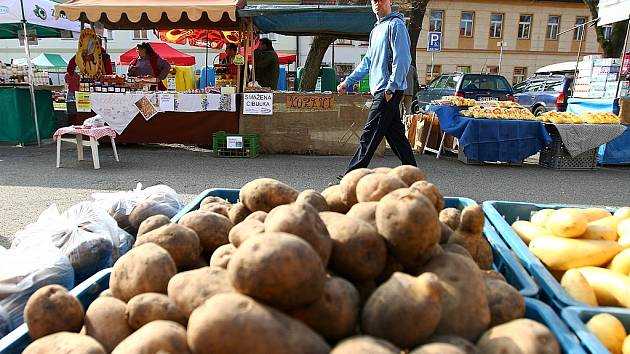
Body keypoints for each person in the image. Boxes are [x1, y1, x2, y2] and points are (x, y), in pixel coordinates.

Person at [337, 0, 417, 176]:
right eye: (374, 0)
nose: (377, 3)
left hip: (388, 90)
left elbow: (402, 59)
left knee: (369, 135)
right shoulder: (375, 30)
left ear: (389, 2)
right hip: (382, 90)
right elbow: (367, 62)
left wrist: (392, 87)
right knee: (396, 137)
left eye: (381, 0)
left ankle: (350, 177)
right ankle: (414, 175)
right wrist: (347, 81)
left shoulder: (396, 25)